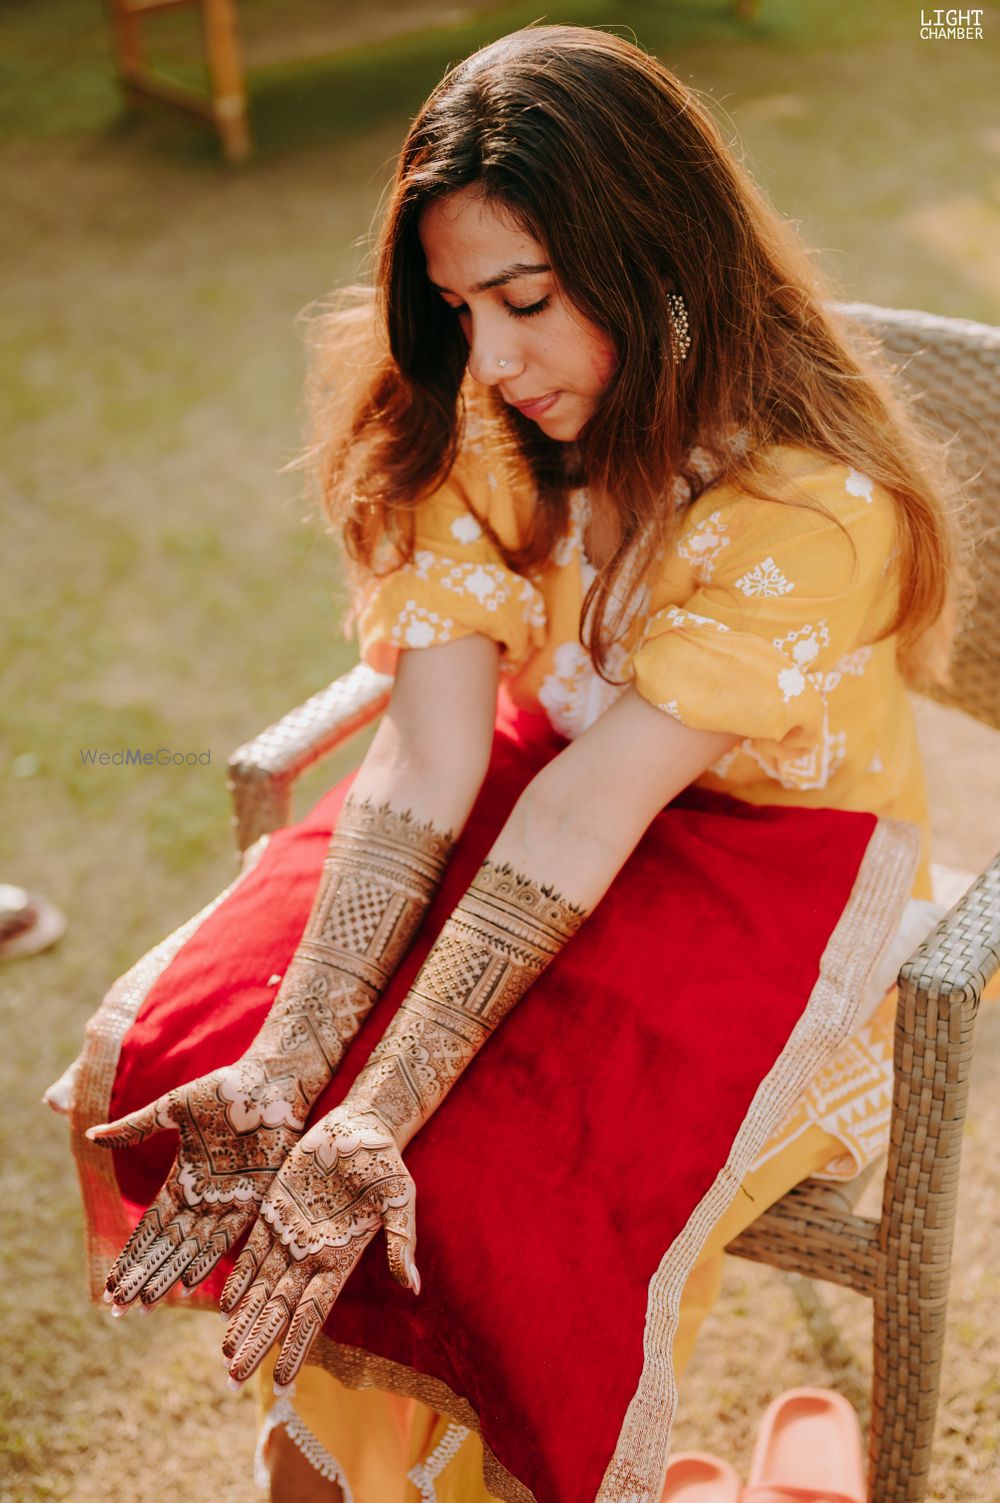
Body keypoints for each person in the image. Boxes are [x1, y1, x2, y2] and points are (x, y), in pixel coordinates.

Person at [74, 24, 967, 1503]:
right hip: (537, 772)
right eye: (456, 306)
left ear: (658, 258)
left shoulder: (814, 512)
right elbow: (430, 753)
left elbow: (597, 801)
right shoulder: (480, 416)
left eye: (528, 300)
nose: (491, 355)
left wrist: (373, 1113)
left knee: (489, 1184)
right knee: (244, 1061)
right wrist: (304, 1070)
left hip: (767, 854)